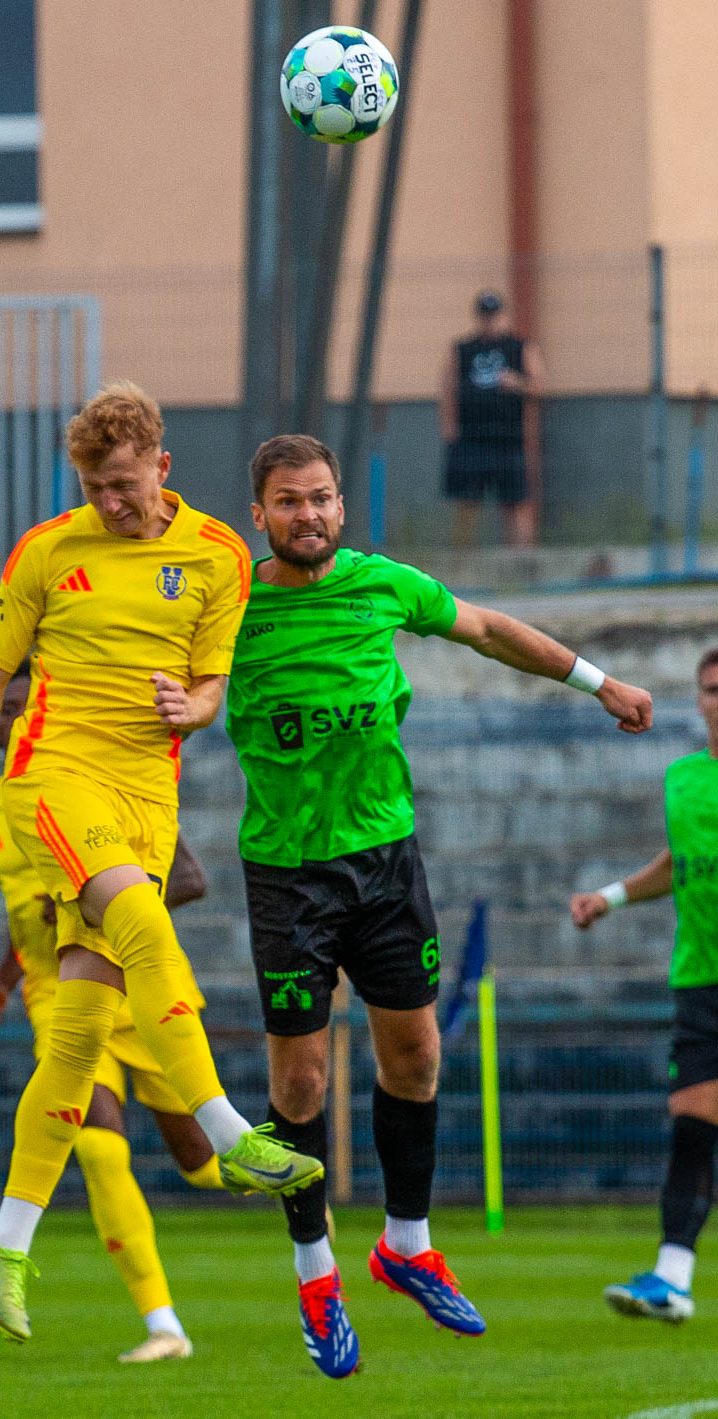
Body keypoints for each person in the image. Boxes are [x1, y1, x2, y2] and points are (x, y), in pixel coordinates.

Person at [225, 433, 653, 1379]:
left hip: (384, 858)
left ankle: (406, 1245)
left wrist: (601, 683)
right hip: (287, 873)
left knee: (417, 1056)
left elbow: (490, 630)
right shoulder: (231, 603)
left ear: (342, 506)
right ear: (259, 515)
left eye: (322, 497)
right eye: (289, 501)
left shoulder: (382, 583)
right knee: (300, 1085)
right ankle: (316, 1272)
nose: (309, 514)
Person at [0, 382, 323, 1344]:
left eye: (124, 484)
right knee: (143, 925)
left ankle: (4, 1243)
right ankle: (233, 1134)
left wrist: (197, 707)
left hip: (149, 797)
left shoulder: (216, 554)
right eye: (94, 487)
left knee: (75, 1036)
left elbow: (212, 678)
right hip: (55, 778)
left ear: (162, 468)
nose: (110, 502)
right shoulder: (46, 550)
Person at [0, 665, 220, 1362]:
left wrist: (93, 905)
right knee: (100, 1149)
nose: (7, 719)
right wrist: (0, 981)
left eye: (20, 705)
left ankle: (301, 1200)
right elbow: (30, 909)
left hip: (139, 986)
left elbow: (187, 879)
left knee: (204, 1165)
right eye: (0, 708)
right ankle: (165, 1326)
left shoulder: (106, 777)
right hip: (58, 997)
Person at [570, 646, 718, 1325]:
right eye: (711, 689)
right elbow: (679, 863)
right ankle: (672, 1280)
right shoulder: (683, 778)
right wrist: (610, 897)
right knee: (692, 1127)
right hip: (700, 979)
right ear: (699, 699)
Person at [439, 289, 545, 548]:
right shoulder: (462, 349)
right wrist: (449, 429)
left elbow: (539, 386)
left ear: (503, 316)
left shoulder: (520, 347)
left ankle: (520, 561)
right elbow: (447, 389)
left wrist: (517, 383)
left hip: (508, 438)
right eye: (485, 315)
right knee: (466, 503)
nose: (490, 321)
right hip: (471, 438)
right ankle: (461, 563)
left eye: (494, 315)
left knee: (515, 503)